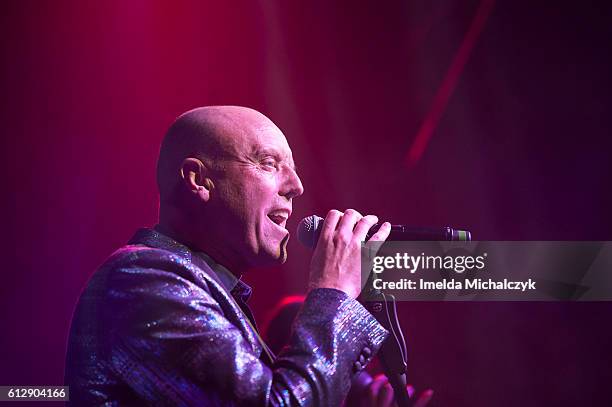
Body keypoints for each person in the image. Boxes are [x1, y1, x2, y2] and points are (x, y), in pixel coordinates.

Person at [64, 106, 393, 405]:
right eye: (268, 164)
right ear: (199, 180)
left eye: (292, 170)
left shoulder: (205, 290)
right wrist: (333, 293)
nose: (296, 186)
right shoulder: (141, 280)